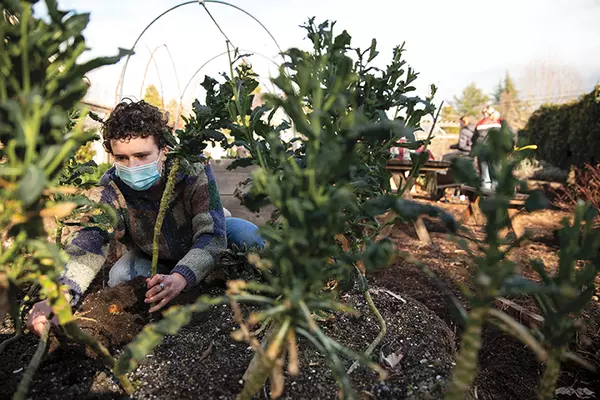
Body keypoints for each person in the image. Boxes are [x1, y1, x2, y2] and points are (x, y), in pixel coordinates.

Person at [27, 100, 264, 336]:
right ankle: (185, 281)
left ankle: (207, 276)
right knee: (120, 276)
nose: (132, 166)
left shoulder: (193, 168)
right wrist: (62, 294)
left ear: (164, 149)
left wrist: (181, 277)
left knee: (250, 238)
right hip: (153, 254)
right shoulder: (111, 189)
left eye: (142, 155)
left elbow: (212, 236)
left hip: (207, 238)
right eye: (122, 158)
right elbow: (91, 238)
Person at [473, 106, 502, 191]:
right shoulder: (499, 123)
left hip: (482, 150)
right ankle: (496, 191)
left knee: (484, 173)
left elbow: (475, 138)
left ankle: (486, 192)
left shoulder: (480, 124)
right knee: (495, 171)